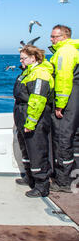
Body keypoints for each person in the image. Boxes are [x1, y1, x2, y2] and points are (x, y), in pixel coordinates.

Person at [13, 45, 54, 197]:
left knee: (37, 150)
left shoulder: (40, 74)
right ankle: (30, 177)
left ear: (33, 58)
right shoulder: (27, 72)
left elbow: (37, 100)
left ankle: (42, 185)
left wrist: (31, 123)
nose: (21, 61)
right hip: (21, 114)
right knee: (26, 148)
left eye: (23, 58)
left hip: (34, 118)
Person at [49, 24, 79, 192]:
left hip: (68, 100)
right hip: (75, 98)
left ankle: (63, 182)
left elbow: (63, 78)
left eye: (55, 37)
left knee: (63, 139)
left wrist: (60, 104)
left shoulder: (64, 52)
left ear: (65, 37)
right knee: (73, 138)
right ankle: (73, 177)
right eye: (52, 37)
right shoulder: (72, 50)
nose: (52, 40)